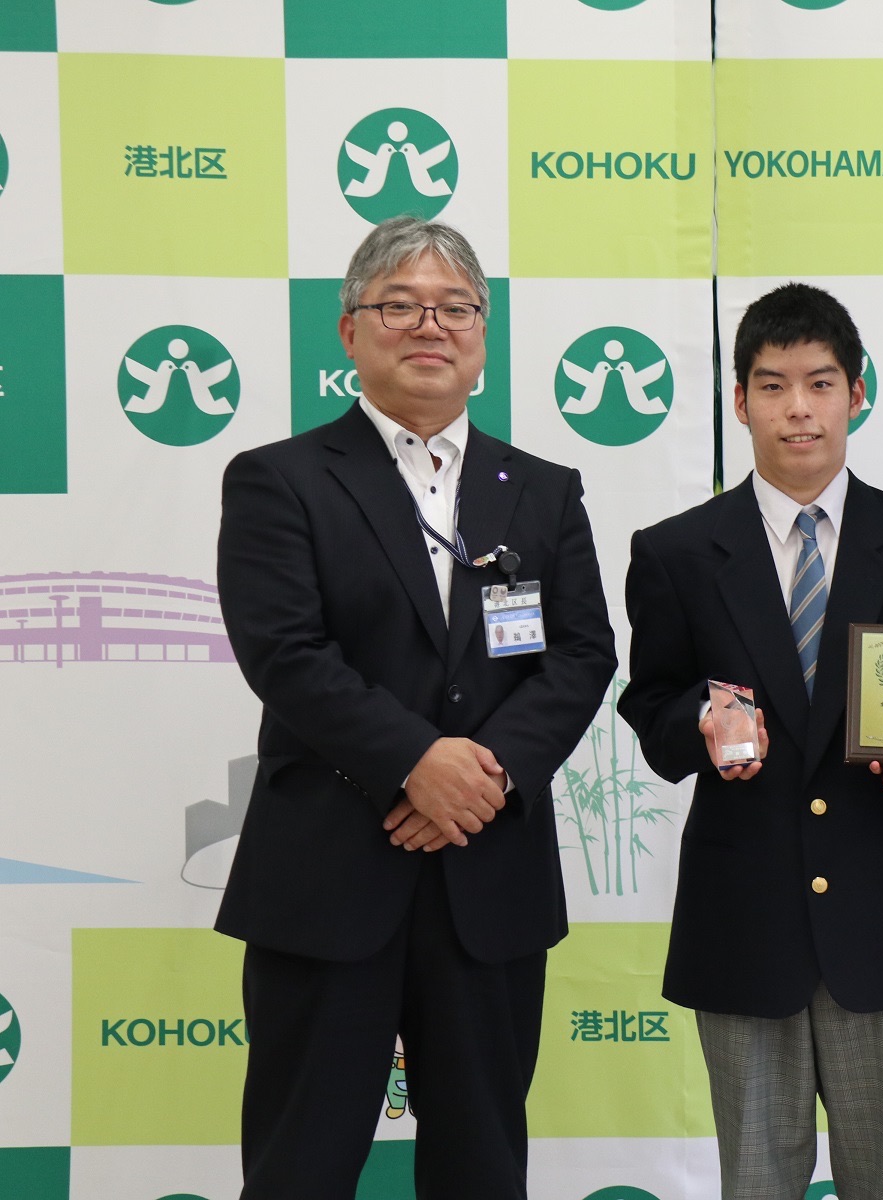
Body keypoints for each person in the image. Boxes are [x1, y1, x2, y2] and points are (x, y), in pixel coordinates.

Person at [214, 216, 617, 1200]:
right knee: (299, 1166)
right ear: (350, 332)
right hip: (327, 879)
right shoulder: (281, 480)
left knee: (482, 1167)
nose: (428, 325)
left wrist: (483, 777)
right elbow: (287, 655)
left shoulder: (543, 492)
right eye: (399, 304)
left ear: (483, 338)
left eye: (455, 308)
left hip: (490, 878)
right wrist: (416, 763)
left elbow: (580, 654)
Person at [618, 283, 883, 1199]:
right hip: (743, 915)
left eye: (819, 384)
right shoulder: (675, 552)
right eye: (772, 386)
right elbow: (650, 703)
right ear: (739, 401)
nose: (798, 409)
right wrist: (699, 722)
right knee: (756, 1181)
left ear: (856, 393)